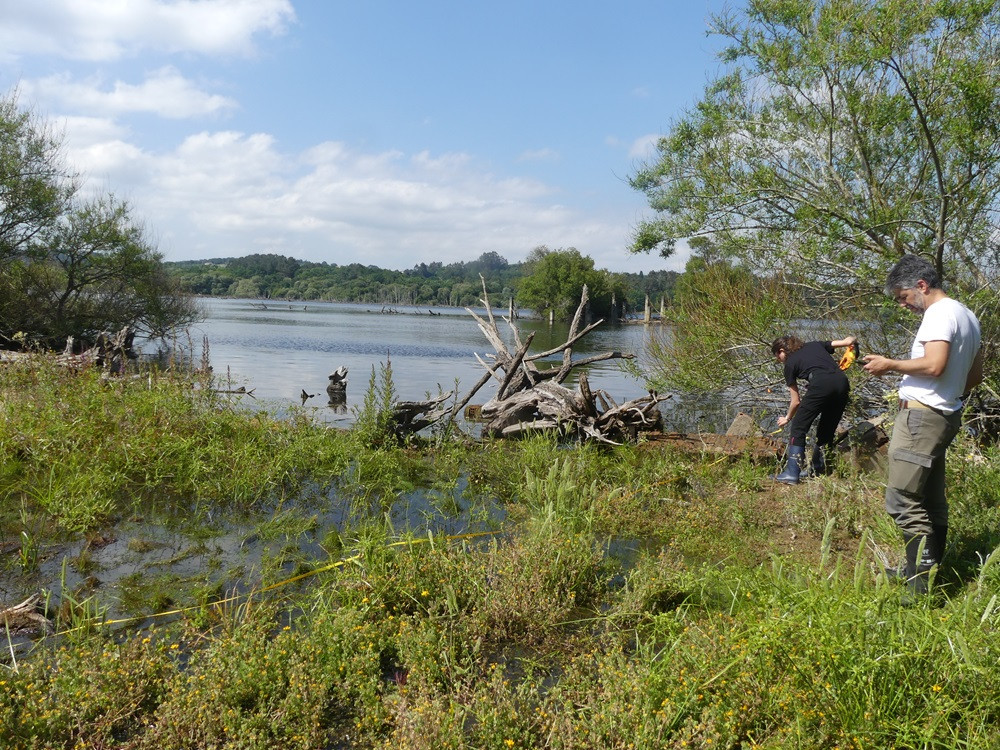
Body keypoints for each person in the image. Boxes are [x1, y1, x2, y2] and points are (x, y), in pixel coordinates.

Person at [862, 254, 983, 597]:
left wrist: (889, 364)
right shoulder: (967, 315)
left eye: (903, 297)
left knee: (902, 498)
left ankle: (919, 587)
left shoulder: (939, 313)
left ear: (921, 285)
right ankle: (924, 571)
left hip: (921, 418)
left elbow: (933, 365)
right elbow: (975, 375)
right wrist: (947, 393)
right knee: (930, 498)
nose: (903, 305)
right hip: (944, 415)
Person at [771, 333, 857, 484]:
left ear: (781, 351)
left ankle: (792, 473)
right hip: (842, 382)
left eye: (778, 357)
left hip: (821, 383)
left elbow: (795, 401)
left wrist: (787, 418)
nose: (779, 360)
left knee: (798, 427)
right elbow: (848, 341)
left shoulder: (790, 364)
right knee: (827, 428)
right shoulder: (815, 344)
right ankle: (818, 470)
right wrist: (853, 344)